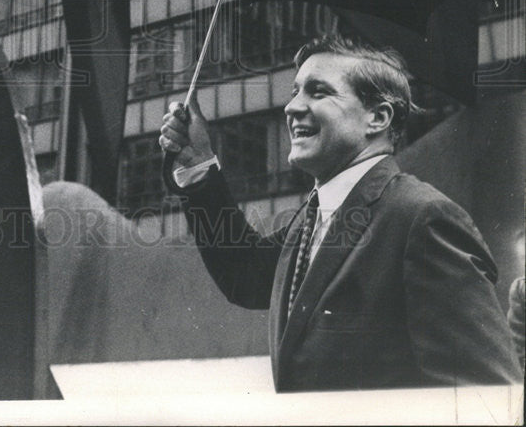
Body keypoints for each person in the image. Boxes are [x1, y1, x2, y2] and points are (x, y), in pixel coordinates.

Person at [159, 35, 520, 392]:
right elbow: (246, 275)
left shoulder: (422, 220)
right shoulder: (312, 219)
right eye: (294, 92)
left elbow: (484, 398)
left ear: (377, 117)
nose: (292, 108)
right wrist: (198, 167)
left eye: (318, 91)